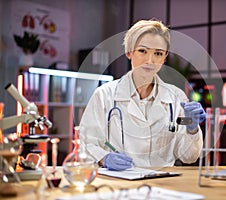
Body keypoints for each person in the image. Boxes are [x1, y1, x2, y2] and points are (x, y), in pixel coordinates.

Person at [79, 19, 206, 171]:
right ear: (129, 52)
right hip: (120, 182)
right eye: (142, 51)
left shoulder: (176, 97)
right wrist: (103, 158)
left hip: (162, 183)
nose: (150, 60)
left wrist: (192, 129)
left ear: (164, 57)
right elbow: (87, 141)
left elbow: (189, 157)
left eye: (158, 53)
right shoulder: (105, 94)